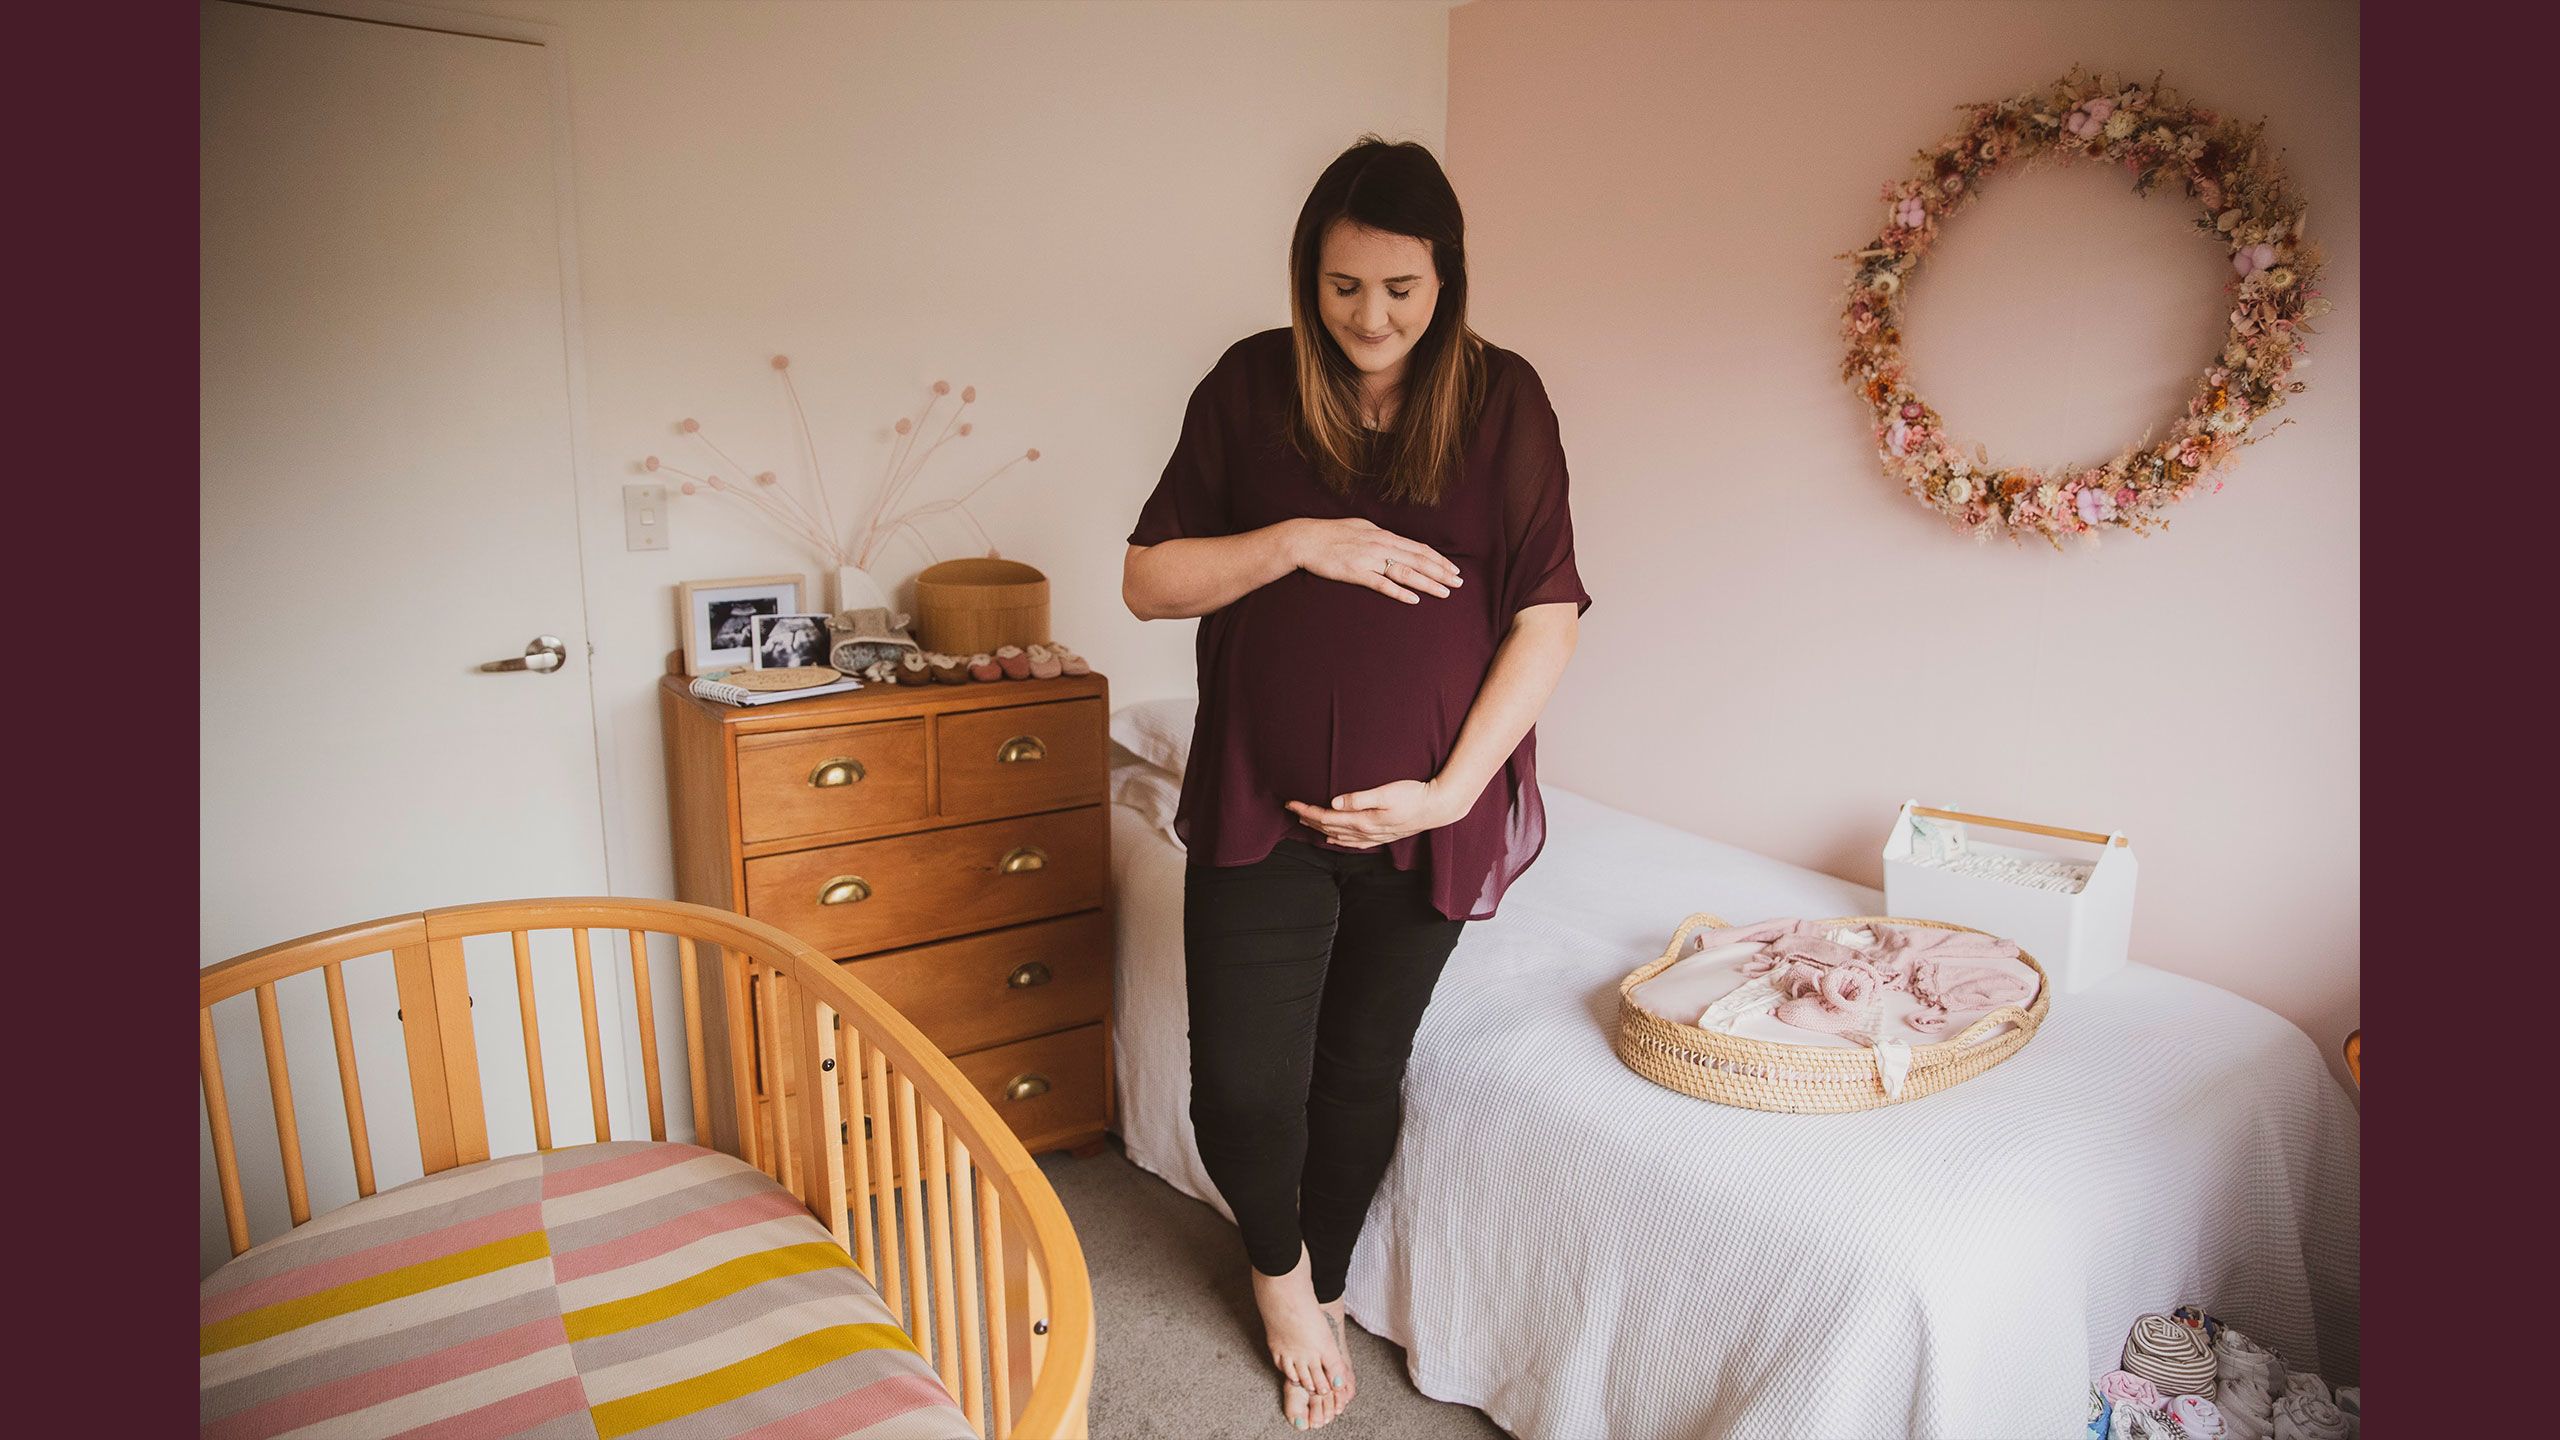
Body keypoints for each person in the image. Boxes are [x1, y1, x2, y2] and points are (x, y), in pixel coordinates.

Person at [1121, 134, 1589, 1432]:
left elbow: (1545, 616)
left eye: (1401, 288)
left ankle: (1322, 1273)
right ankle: (1276, 1281)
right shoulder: (1250, 388)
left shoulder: (1504, 403)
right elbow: (1149, 579)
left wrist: (1449, 795)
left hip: (1427, 817)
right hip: (1262, 799)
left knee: (1357, 1074)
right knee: (1245, 1087)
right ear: (1304, 278)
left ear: (1447, 279)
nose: (1370, 317)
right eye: (1342, 288)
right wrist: (1292, 542)